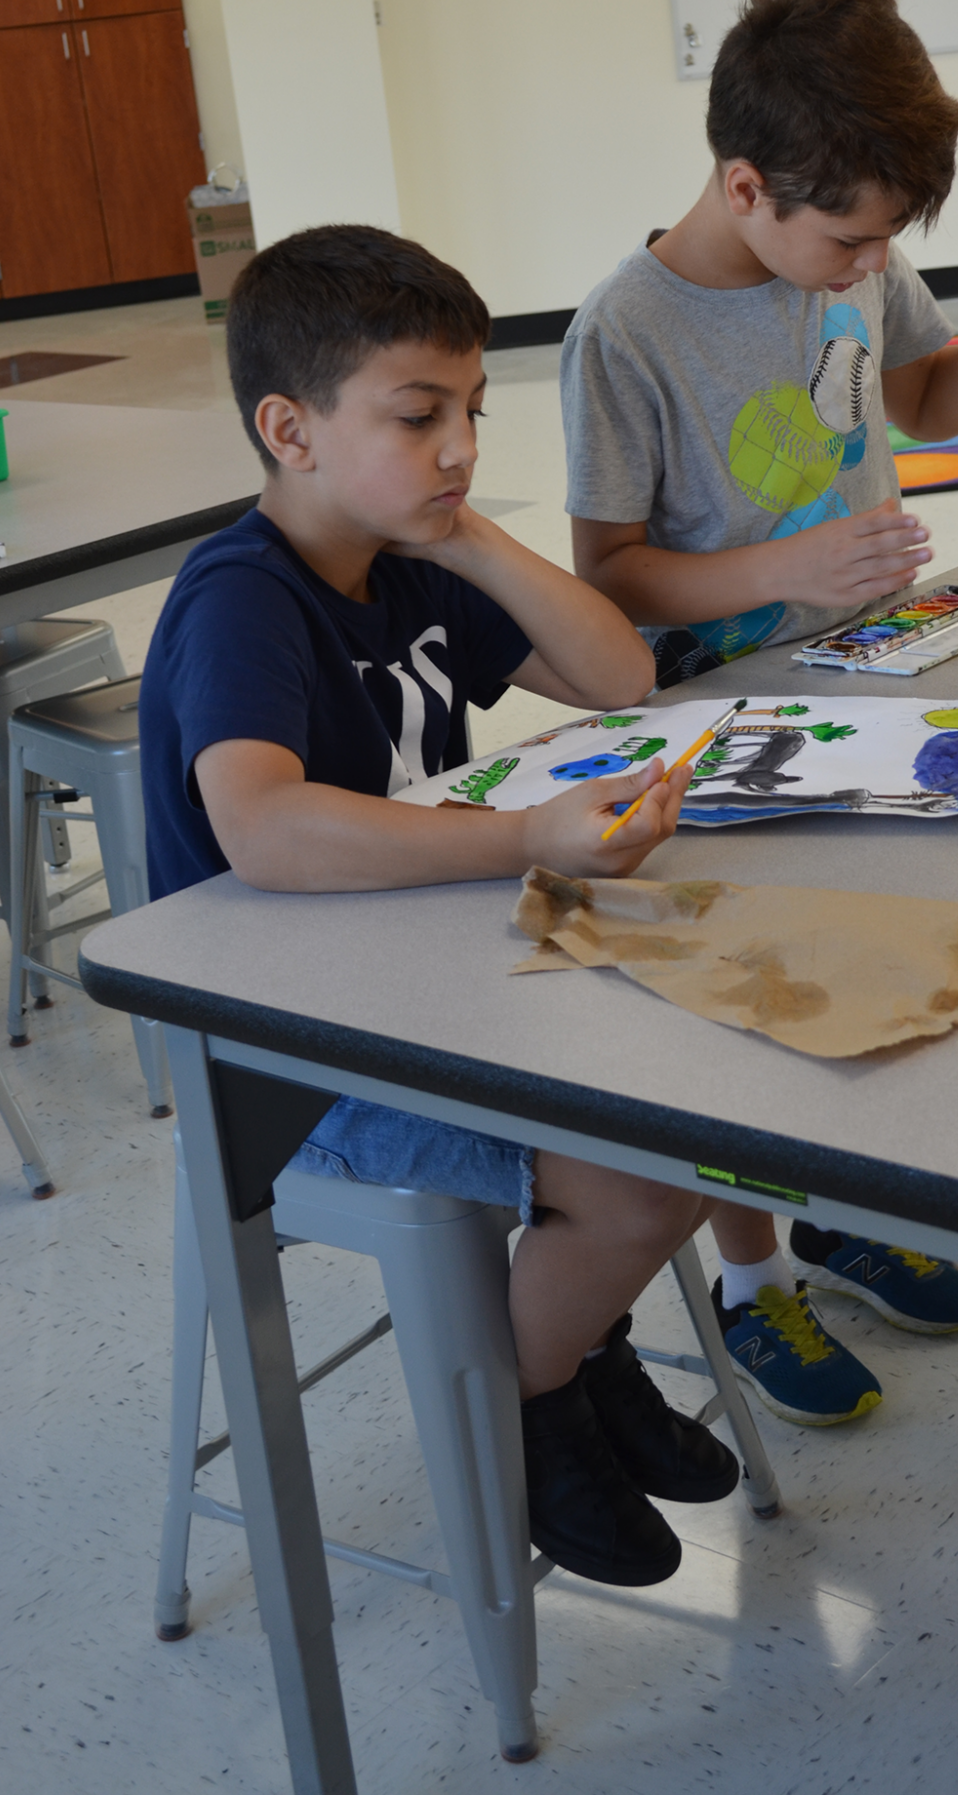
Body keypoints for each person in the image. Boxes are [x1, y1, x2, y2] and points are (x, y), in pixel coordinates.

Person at [140, 224, 755, 1591]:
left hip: (421, 989)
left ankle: (579, 1350)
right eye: (420, 416)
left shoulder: (412, 559)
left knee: (708, 1090)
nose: (461, 444)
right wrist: (523, 836)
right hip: (284, 1054)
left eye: (471, 412)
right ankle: (530, 1404)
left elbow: (616, 675)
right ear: (290, 431)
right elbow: (263, 825)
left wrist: (462, 528)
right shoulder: (242, 596)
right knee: (644, 1176)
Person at [561, 0, 958, 1428]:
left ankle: (834, 1206)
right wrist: (794, 563)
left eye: (885, 243)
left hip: (863, 667)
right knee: (743, 995)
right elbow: (610, 574)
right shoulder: (627, 329)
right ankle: (753, 1277)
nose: (869, 266)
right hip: (708, 716)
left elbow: (919, 400)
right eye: (848, 240)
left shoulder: (851, 256)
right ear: (745, 185)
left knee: (870, 948)